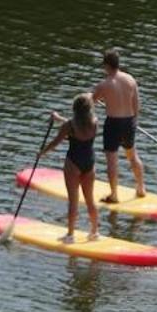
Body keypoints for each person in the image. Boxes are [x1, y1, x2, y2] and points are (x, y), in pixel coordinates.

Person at [39, 93, 101, 242]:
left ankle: (70, 235)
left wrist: (42, 153)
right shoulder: (95, 122)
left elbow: (56, 142)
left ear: (74, 109)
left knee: (73, 201)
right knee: (90, 200)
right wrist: (59, 117)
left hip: (73, 163)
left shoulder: (69, 126)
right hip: (90, 163)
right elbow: (77, 124)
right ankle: (94, 232)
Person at [90, 49, 146, 203]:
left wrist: (91, 97)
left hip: (113, 124)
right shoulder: (130, 80)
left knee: (112, 160)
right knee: (132, 156)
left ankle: (114, 195)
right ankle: (141, 188)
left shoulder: (104, 84)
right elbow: (136, 104)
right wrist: (135, 121)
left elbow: (92, 102)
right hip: (129, 122)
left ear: (107, 66)